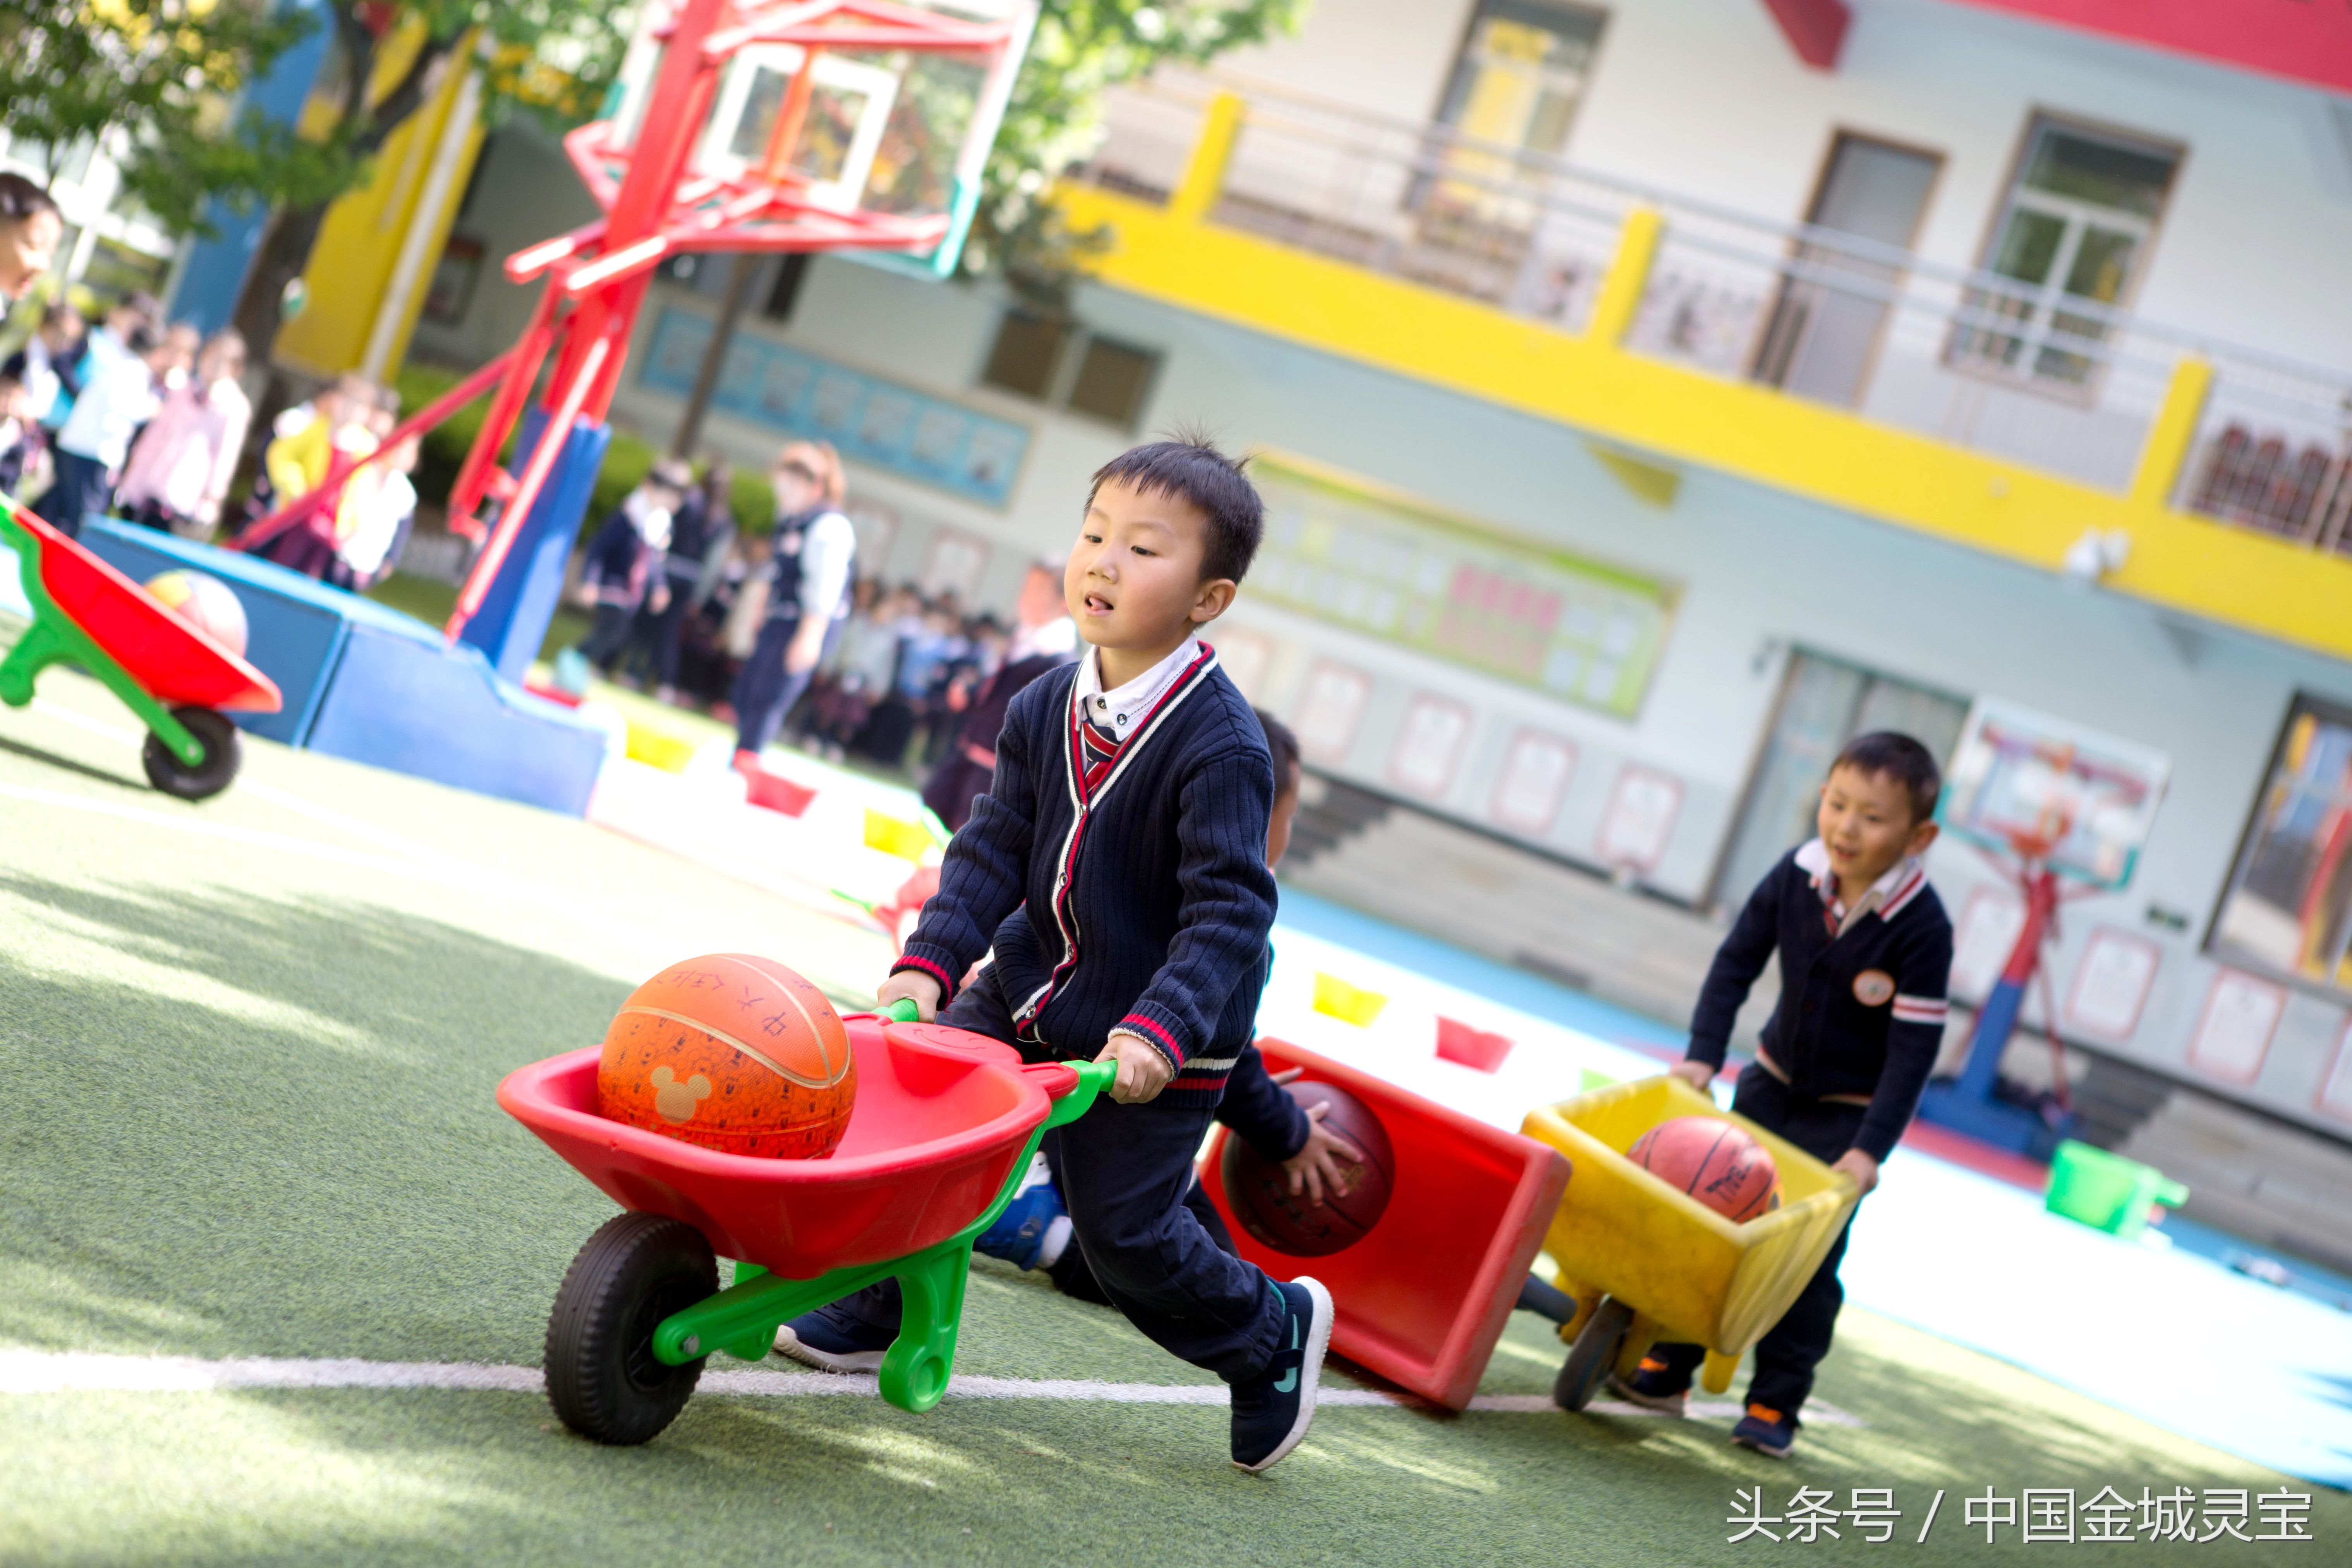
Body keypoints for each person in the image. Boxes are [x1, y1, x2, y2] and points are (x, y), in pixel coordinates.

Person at [775, 438, 1335, 1474]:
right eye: (1093, 535)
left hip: (1161, 1032)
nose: (1104, 562)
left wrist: (1159, 1033)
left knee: (1125, 1238)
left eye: (1143, 549)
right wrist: (929, 964)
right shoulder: (1045, 703)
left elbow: (1229, 913)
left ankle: (1268, 1336)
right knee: (923, 1121)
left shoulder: (1222, 744)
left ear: (1208, 598)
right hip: (1029, 987)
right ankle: (873, 1299)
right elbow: (991, 847)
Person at [1615, 731, 1954, 1460]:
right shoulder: (1795, 872)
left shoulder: (1922, 927)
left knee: (1805, 1258)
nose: (1843, 826)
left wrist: (1870, 1149)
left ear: (1917, 835)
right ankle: (1668, 1363)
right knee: (1714, 1225)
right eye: (1835, 803)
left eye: (1871, 815)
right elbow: (1734, 961)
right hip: (1768, 1084)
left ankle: (1775, 1397)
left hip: (1846, 1117)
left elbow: (1911, 1053)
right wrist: (1703, 1056)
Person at [977, 709, 1366, 1307]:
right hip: (1102, 1127)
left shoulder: (1106, 869)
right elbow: (1226, 1065)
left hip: (1026, 1094)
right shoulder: (1224, 920)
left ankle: (1020, 1198)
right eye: (1284, 814)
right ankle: (1043, 1231)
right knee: (1176, 1258)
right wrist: (1290, 1133)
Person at [920, 560, 1081, 830]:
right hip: (972, 744)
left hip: (997, 768)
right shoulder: (1024, 636)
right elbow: (997, 687)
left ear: (1064, 602)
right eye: (1027, 587)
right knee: (934, 811)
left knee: (969, 833)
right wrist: (971, 695)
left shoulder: (1057, 659)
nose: (1025, 596)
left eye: (1037, 590)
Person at [730, 441, 856, 764]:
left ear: (817, 486)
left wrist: (809, 638)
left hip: (807, 623)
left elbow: (826, 587)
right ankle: (740, 757)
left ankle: (747, 763)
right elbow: (778, 571)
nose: (785, 484)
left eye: (797, 477)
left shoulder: (829, 525)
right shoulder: (789, 517)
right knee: (747, 691)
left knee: (768, 697)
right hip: (781, 616)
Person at [33, 318, 180, 537]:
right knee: (84, 521)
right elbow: (121, 407)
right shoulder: (133, 372)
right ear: (157, 352)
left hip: (75, 445)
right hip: (92, 453)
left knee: (58, 506)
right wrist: (149, 409)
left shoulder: (118, 364)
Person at [116, 329, 251, 536]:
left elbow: (224, 458)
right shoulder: (184, 389)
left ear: (235, 370)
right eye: (211, 356)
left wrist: (210, 502)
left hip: (185, 503)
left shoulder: (233, 407)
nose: (214, 365)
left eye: (223, 361)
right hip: (152, 489)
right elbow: (155, 437)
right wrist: (133, 483)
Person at [637, 455, 735, 703]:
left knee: (646, 622)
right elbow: (714, 565)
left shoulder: (689, 502)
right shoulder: (723, 518)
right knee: (670, 632)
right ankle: (664, 683)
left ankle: (635, 673)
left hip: (668, 570)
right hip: (692, 579)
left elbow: (664, 531)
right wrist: (700, 596)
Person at [571, 465, 684, 676]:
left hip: (633, 589)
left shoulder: (658, 521)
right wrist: (590, 580)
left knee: (618, 633)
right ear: (650, 487)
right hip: (613, 583)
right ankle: (575, 659)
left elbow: (653, 559)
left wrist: (659, 586)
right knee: (614, 629)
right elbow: (598, 548)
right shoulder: (629, 514)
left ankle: (580, 663)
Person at [3, 301, 82, 432]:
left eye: (69, 339)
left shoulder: (56, 362)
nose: (62, 342)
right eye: (61, 334)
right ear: (45, 326)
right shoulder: (23, 356)